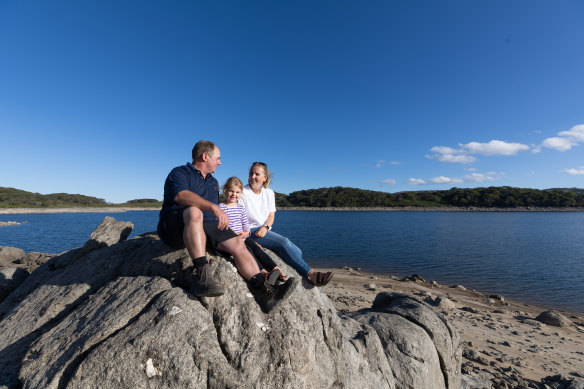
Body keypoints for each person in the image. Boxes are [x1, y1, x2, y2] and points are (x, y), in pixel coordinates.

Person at [157, 141, 296, 313]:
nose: (220, 162)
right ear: (205, 156)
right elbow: (180, 196)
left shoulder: (213, 182)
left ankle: (265, 292)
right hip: (176, 225)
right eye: (218, 158)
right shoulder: (180, 172)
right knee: (194, 212)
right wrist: (213, 207)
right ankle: (202, 276)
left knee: (239, 243)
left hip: (206, 226)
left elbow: (219, 216)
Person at [239, 162, 334, 287]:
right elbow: (236, 217)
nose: (253, 177)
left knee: (297, 251)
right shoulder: (242, 192)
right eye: (251, 173)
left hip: (263, 230)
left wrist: (266, 227)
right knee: (284, 242)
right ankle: (312, 274)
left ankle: (298, 264)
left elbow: (271, 215)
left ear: (265, 178)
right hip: (250, 231)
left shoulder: (269, 193)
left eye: (257, 174)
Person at [219, 176, 290, 283]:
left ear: (240, 193)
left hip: (244, 236)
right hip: (233, 240)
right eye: (231, 191)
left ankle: (277, 270)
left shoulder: (240, 207)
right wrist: (233, 235)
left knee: (257, 249)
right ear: (225, 190)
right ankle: (263, 272)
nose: (234, 194)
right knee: (250, 252)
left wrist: (246, 232)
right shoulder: (220, 207)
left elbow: (245, 223)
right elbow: (220, 226)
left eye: (237, 192)